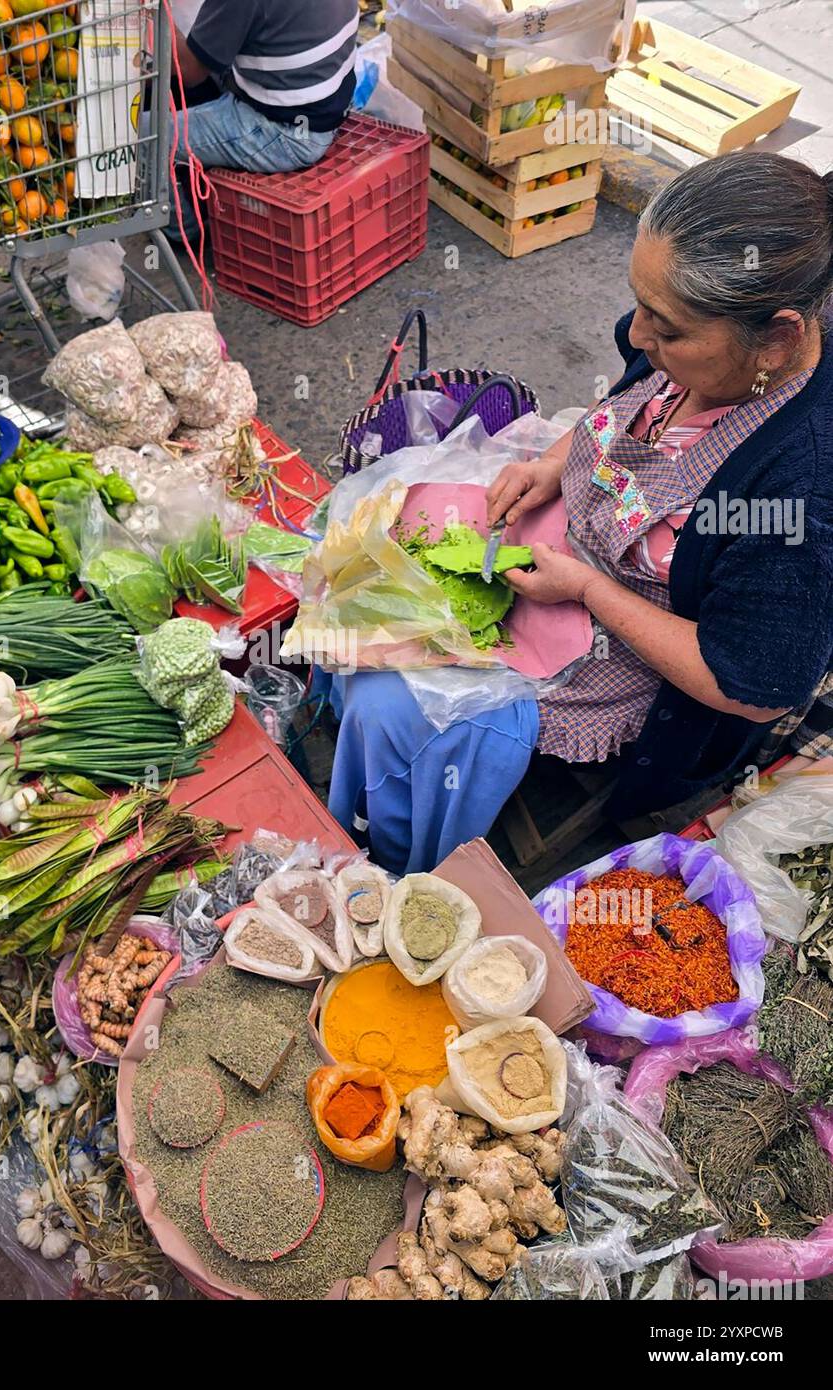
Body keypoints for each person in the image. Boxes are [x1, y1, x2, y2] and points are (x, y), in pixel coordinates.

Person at [327, 151, 833, 875]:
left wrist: (588, 589)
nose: (636, 338)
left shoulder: (798, 491)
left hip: (621, 653)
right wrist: (550, 465)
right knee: (362, 577)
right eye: (642, 308)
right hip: (563, 551)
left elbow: (748, 687)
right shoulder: (694, 348)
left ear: (778, 337)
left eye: (666, 328)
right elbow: (623, 397)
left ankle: (402, 868)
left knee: (398, 709)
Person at [167, 0, 358, 236]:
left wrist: (157, 16)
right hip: (331, 97)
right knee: (212, 47)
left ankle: (188, 234)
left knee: (146, 138)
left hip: (288, 132)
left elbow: (188, 70)